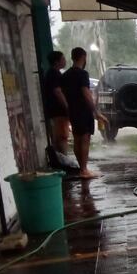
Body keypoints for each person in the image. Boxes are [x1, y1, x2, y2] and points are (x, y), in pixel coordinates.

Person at [62, 47, 106, 179]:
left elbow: (64, 93)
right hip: (83, 110)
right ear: (83, 57)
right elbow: (86, 93)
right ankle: (84, 169)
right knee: (85, 139)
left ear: (72, 57)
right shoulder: (82, 74)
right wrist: (96, 112)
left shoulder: (66, 75)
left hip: (72, 110)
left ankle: (82, 168)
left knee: (77, 139)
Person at [43, 51, 69, 154]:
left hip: (56, 111)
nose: (65, 61)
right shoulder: (53, 74)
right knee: (61, 136)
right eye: (63, 59)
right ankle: (63, 158)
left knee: (60, 136)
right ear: (56, 62)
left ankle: (62, 157)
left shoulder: (54, 73)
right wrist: (67, 106)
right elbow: (58, 91)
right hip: (57, 111)